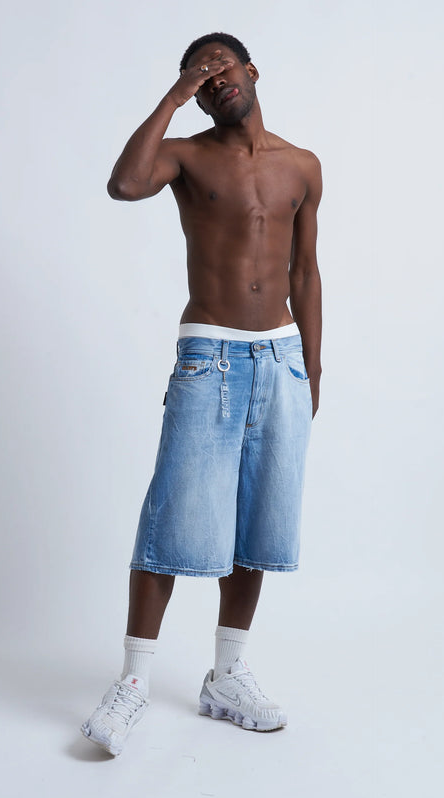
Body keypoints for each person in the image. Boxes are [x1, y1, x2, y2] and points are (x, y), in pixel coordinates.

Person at [81, 32, 322, 756]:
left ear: (252, 70)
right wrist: (174, 93)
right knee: (173, 513)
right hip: (208, 356)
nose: (216, 79)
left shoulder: (302, 165)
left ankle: (226, 674)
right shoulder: (186, 155)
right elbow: (125, 184)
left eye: (223, 66)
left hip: (280, 358)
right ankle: (132, 682)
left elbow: (306, 271)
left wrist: (311, 369)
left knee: (258, 520)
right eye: (201, 74)